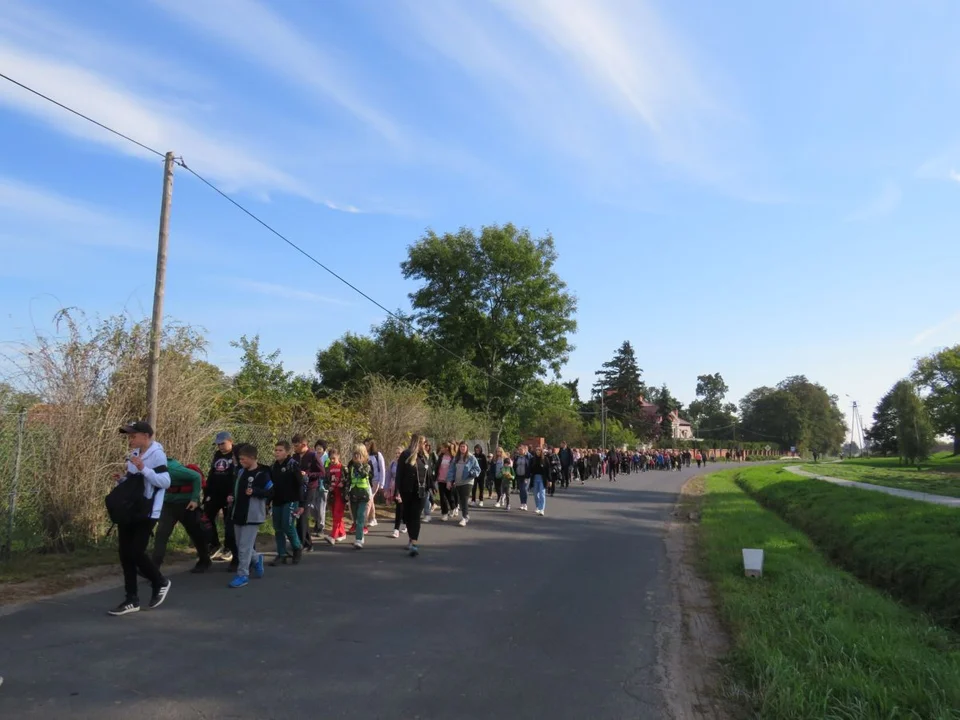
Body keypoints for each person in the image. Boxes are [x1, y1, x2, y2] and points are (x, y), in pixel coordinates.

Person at [107, 421, 172, 616]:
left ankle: (160, 581)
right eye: (129, 436)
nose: (130, 439)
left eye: (133, 436)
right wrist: (122, 480)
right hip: (131, 510)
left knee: (136, 552)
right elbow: (137, 484)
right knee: (125, 554)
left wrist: (144, 468)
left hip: (148, 511)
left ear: (145, 435)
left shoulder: (157, 454)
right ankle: (131, 599)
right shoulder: (134, 455)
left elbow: (165, 482)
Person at [151, 456, 212, 573]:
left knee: (195, 533)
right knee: (161, 535)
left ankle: (205, 560)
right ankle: (153, 569)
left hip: (187, 504)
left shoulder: (173, 470)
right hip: (169, 505)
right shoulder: (150, 469)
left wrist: (194, 499)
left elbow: (196, 477)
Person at [228, 444, 272, 588]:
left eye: (243, 459)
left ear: (252, 458)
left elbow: (271, 492)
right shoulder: (241, 472)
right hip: (238, 512)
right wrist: (231, 497)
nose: (241, 462)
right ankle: (256, 559)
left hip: (252, 515)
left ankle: (242, 575)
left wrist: (255, 492)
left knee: (243, 548)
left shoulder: (262, 474)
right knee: (241, 545)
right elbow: (236, 489)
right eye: (239, 459)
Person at [205, 431, 239, 565]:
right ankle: (214, 544)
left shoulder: (235, 455)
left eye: (223, 443)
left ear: (231, 441)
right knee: (206, 517)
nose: (220, 446)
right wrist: (207, 491)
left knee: (228, 522)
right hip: (215, 493)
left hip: (228, 494)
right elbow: (212, 472)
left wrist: (232, 493)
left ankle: (229, 548)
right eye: (218, 444)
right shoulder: (217, 455)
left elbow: (236, 476)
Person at [395, 434, 430, 557]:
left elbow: (428, 473)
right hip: (407, 491)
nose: (425, 445)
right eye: (423, 442)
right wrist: (397, 490)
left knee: (415, 516)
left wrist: (432, 487)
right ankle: (411, 538)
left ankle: (414, 543)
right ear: (418, 443)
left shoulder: (424, 456)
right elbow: (399, 474)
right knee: (408, 516)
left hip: (421, 492)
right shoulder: (406, 455)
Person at [269, 440, 303, 566]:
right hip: (277, 501)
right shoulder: (273, 467)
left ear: (287, 452)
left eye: (280, 450)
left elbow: (300, 484)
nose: (277, 453)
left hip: (291, 501)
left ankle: (297, 547)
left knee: (287, 525)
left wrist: (302, 504)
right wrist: (268, 502)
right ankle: (281, 553)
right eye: (276, 450)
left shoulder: (292, 465)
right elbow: (271, 486)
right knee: (277, 528)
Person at [293, 435, 324, 551]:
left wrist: (308, 474)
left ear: (304, 445)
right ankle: (305, 542)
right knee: (299, 515)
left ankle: (302, 543)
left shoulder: (312, 455)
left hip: (310, 488)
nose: (294, 448)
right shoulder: (295, 456)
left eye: (296, 446)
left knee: (303, 515)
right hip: (298, 488)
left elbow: (322, 473)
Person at [345, 445, 373, 549]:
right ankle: (359, 535)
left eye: (359, 454)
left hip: (363, 495)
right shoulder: (351, 467)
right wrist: (346, 493)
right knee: (356, 518)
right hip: (354, 494)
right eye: (355, 454)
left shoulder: (366, 466)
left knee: (361, 516)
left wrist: (359, 464)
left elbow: (363, 474)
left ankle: (358, 539)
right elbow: (348, 481)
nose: (356, 457)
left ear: (364, 455)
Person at [447, 441, 481, 526]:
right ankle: (466, 515)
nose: (463, 448)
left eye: (464, 446)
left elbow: (478, 469)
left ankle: (464, 518)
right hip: (458, 482)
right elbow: (451, 470)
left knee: (465, 498)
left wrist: (471, 473)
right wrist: (449, 481)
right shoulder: (456, 458)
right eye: (461, 446)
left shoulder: (471, 458)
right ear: (459, 448)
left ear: (467, 448)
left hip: (468, 481)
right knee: (461, 500)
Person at [324, 450, 347, 544]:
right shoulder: (328, 468)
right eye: (331, 458)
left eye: (334, 458)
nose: (332, 460)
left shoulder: (343, 468)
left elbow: (349, 480)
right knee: (335, 515)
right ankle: (342, 533)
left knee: (338, 514)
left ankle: (333, 536)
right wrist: (328, 487)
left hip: (341, 495)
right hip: (332, 495)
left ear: (338, 456)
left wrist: (343, 483)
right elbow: (325, 481)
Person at [366, 439, 386, 528]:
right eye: (365, 444)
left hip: (375, 480)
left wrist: (382, 483)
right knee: (371, 500)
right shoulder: (364, 455)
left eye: (368, 444)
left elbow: (382, 469)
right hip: (366, 481)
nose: (366, 446)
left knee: (369, 498)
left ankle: (367, 519)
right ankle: (373, 519)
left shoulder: (378, 455)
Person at [387, 446, 406, 538]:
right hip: (394, 487)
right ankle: (403, 523)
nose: (397, 455)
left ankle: (396, 529)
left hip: (403, 488)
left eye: (399, 453)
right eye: (396, 453)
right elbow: (388, 476)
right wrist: (386, 489)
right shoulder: (393, 464)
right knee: (400, 507)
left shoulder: (406, 464)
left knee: (400, 508)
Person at [435, 442, 457, 521]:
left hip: (449, 480)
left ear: (447, 448)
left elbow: (455, 470)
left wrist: (453, 480)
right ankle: (444, 513)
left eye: (442, 448)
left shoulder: (453, 457)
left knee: (450, 496)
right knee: (442, 497)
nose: (441, 449)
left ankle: (453, 507)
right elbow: (437, 467)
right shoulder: (441, 456)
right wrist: (435, 477)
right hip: (441, 479)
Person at [529, 445, 549, 516]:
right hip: (535, 478)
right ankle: (537, 506)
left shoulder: (545, 459)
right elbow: (530, 469)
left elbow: (548, 470)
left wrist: (549, 480)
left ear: (541, 452)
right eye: (537, 450)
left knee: (542, 494)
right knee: (535, 494)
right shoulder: (532, 459)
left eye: (539, 450)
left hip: (542, 478)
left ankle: (542, 509)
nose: (538, 451)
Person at [513, 444, 531, 512]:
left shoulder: (528, 457)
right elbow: (514, 466)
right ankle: (522, 503)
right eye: (519, 449)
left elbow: (529, 466)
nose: (520, 451)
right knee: (521, 490)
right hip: (519, 476)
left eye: (521, 449)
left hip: (526, 476)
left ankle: (525, 504)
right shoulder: (517, 457)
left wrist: (529, 475)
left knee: (524, 489)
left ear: (525, 450)